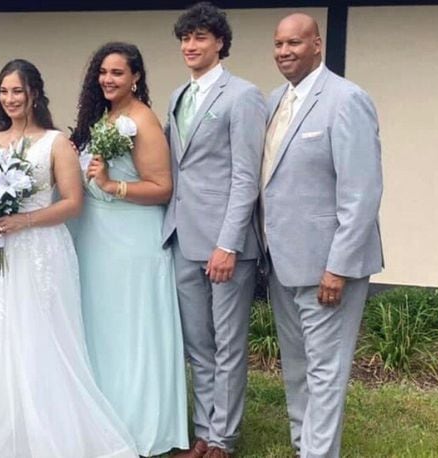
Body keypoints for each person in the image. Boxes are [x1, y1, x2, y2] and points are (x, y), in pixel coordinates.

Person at [0, 59, 137, 458]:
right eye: (4, 91)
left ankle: (45, 428)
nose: (10, 99)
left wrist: (24, 220)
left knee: (38, 336)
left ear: (33, 93)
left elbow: (72, 203)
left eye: (17, 91)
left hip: (39, 252)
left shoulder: (55, 142)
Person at [261, 13, 384, 458]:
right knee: (296, 369)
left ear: (317, 44)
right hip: (283, 262)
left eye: (294, 43)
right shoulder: (276, 100)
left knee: (325, 372)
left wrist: (339, 266)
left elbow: (362, 192)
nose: (284, 52)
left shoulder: (347, 100)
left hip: (328, 268)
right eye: (278, 44)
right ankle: (304, 448)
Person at [69, 42, 188, 456]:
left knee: (132, 331)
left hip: (132, 242)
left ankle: (140, 425)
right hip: (97, 239)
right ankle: (103, 417)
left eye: (118, 72)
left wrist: (111, 186)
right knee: (103, 330)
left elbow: (162, 188)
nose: (108, 79)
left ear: (136, 76)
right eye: (103, 72)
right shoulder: (106, 117)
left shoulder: (142, 120)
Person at [160, 3, 266, 458]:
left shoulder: (242, 96)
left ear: (219, 43)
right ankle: (203, 432)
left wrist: (228, 243)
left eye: (200, 38)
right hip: (182, 237)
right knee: (198, 343)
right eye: (185, 38)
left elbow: (246, 176)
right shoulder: (176, 97)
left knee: (228, 345)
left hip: (226, 245)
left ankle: (224, 439)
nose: (190, 46)